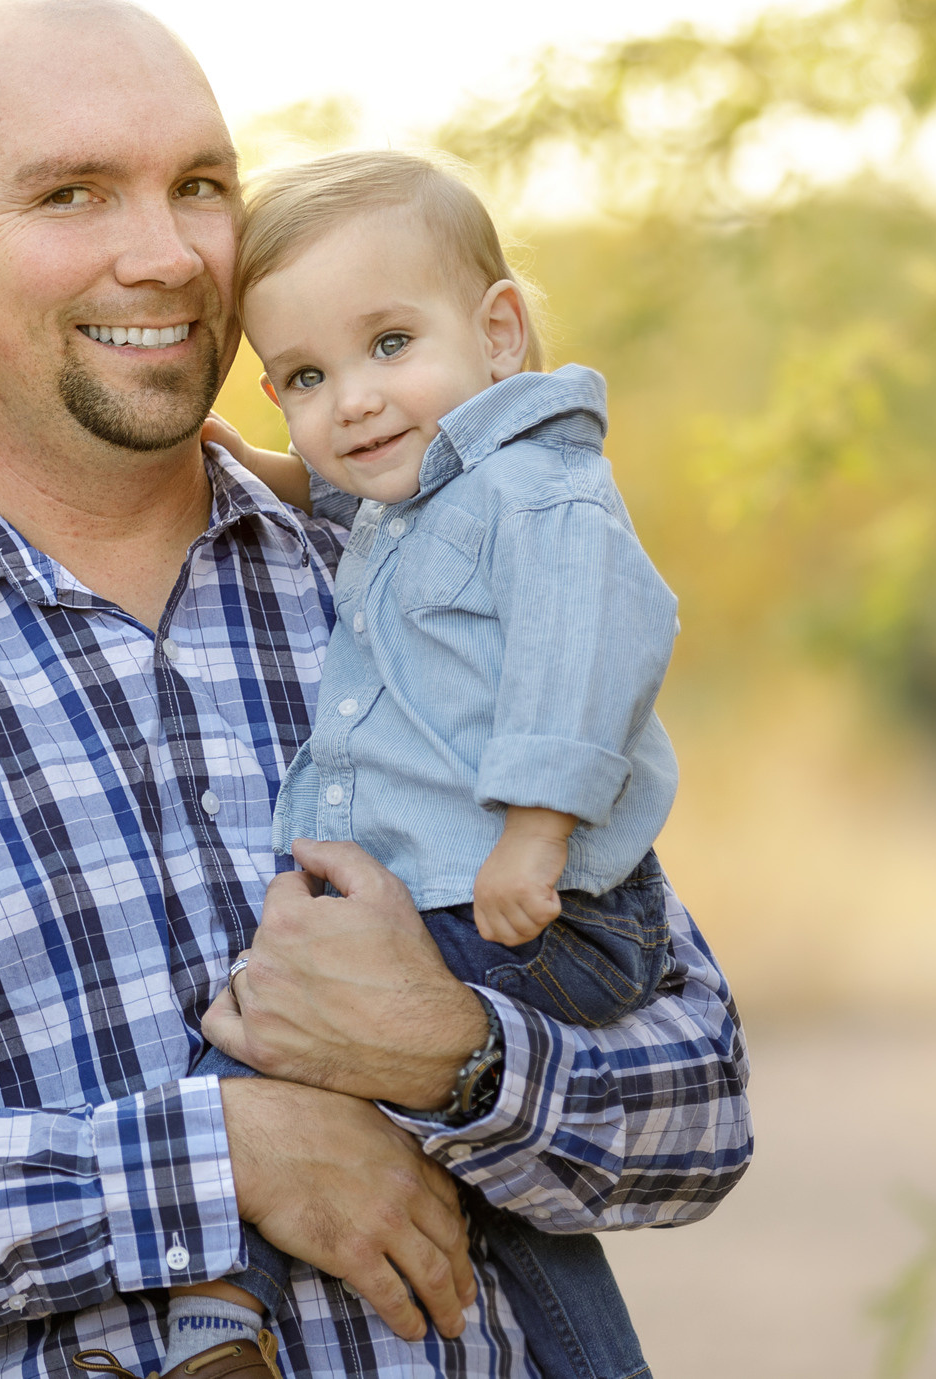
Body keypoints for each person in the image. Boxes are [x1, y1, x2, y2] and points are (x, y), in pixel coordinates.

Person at [0, 0, 752, 1379]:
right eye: (71, 195)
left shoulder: (418, 579)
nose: (165, 254)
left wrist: (458, 1059)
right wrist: (215, 1154)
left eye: (201, 185)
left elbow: (704, 1104)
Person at [177, 150, 682, 1379]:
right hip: (483, 895)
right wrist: (273, 471)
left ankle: (208, 1313)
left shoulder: (542, 494)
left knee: (261, 1027)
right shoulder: (430, 494)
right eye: (306, 377)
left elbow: (591, 651)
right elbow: (377, 525)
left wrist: (536, 832)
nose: (352, 401)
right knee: (498, 1209)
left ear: (499, 331)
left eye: (389, 345)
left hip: (532, 906)